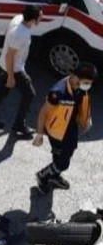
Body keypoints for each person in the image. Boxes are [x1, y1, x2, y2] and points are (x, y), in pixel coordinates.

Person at [0, 5, 42, 139]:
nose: (42, 18)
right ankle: (19, 125)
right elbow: (10, 56)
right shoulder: (21, 34)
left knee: (0, 94)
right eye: (40, 16)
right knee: (30, 94)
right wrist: (11, 77)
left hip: (5, 65)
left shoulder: (18, 18)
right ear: (33, 19)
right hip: (13, 69)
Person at [33, 62, 97, 192]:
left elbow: (84, 102)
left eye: (89, 83)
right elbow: (43, 112)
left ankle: (54, 175)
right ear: (74, 76)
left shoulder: (81, 88)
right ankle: (43, 176)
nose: (87, 85)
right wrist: (39, 134)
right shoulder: (58, 92)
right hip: (57, 132)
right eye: (85, 82)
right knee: (62, 162)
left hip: (71, 127)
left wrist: (87, 118)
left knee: (71, 150)